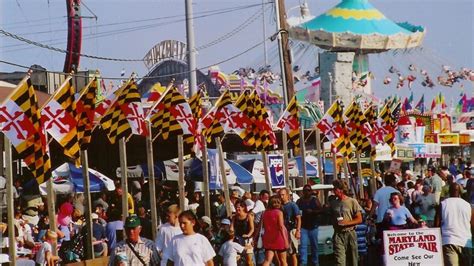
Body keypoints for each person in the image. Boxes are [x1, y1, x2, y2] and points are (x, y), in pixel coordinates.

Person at [435, 183, 472, 266]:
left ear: (449, 191)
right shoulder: (468, 205)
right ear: (459, 192)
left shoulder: (443, 204)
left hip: (448, 241)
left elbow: (437, 225)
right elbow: (472, 225)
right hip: (466, 242)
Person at [330, 180, 363, 266]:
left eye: (335, 188)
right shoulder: (333, 203)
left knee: (353, 259)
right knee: (339, 261)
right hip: (338, 234)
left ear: (340, 190)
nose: (333, 190)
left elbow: (359, 219)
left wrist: (346, 223)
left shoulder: (352, 201)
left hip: (350, 233)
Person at [296, 185, 322, 266]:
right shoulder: (299, 201)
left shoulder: (315, 200)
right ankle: (303, 263)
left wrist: (312, 211)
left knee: (314, 246)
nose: (306, 192)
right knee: (303, 246)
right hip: (303, 227)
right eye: (305, 190)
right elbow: (296, 212)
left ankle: (315, 262)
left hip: (313, 226)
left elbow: (321, 210)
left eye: (308, 190)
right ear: (303, 192)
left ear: (311, 191)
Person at [261, 195, 289, 266]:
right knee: (283, 261)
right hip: (279, 238)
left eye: (278, 202)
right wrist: (286, 241)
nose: (277, 204)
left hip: (268, 238)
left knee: (267, 260)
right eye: (275, 202)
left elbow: (260, 227)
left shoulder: (265, 213)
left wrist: (255, 238)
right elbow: (281, 227)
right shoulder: (279, 212)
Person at [370, 173, 398, 237]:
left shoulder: (379, 191)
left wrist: (369, 217)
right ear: (393, 182)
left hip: (381, 220)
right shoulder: (396, 192)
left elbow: (374, 205)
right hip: (394, 221)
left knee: (382, 240)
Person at [279, 187, 301, 266]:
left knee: (293, 253)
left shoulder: (292, 205)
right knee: (283, 252)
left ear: (287, 195)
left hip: (291, 230)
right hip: (282, 231)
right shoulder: (279, 206)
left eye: (283, 195)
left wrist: (298, 231)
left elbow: (298, 218)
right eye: (280, 195)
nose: (281, 197)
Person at [230, 199, 254, 266]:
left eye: (239, 207)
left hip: (247, 240)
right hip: (238, 239)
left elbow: (252, 229)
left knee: (249, 261)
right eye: (236, 207)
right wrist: (231, 230)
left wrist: (248, 235)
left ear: (243, 207)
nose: (237, 209)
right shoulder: (234, 217)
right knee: (237, 260)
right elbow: (232, 228)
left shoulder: (248, 216)